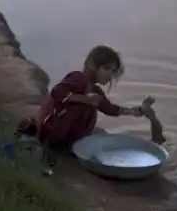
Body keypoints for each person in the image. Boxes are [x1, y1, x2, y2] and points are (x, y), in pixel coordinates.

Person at [20, 44, 151, 150]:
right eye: (107, 69)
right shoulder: (77, 79)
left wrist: (133, 111)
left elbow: (109, 109)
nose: (110, 75)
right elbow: (57, 92)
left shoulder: (96, 92)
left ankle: (71, 143)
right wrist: (84, 99)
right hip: (52, 132)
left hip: (68, 139)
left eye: (113, 71)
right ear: (91, 65)